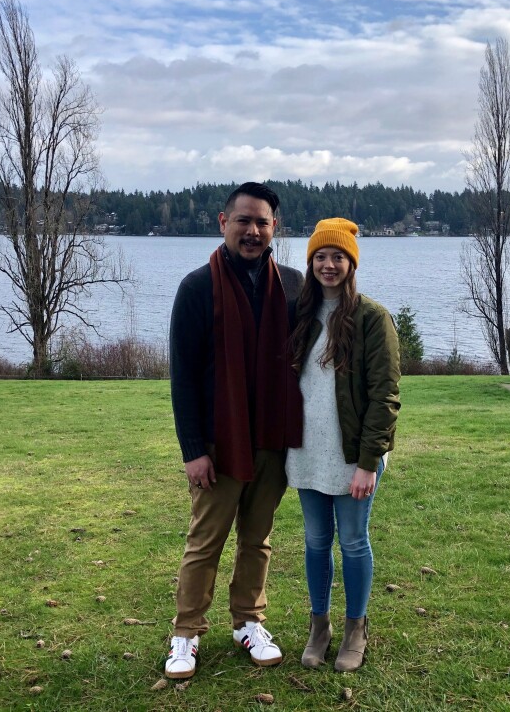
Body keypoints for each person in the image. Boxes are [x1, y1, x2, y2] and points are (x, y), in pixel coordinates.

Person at [164, 182, 304, 679]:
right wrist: (193, 449)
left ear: (275, 228)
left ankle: (248, 620)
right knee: (206, 541)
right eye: (243, 220)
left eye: (262, 222)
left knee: (258, 538)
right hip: (219, 442)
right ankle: (186, 632)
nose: (252, 230)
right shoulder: (197, 287)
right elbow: (182, 375)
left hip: (271, 437)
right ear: (223, 223)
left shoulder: (292, 285)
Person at [285, 217, 401, 673]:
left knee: (352, 542)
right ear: (310, 261)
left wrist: (369, 462)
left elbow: (385, 396)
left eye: (338, 257)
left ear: (351, 263)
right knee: (315, 542)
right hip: (307, 451)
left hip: (353, 456)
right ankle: (320, 626)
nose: (328, 265)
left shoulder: (372, 318)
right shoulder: (300, 315)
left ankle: (356, 628)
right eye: (320, 256)